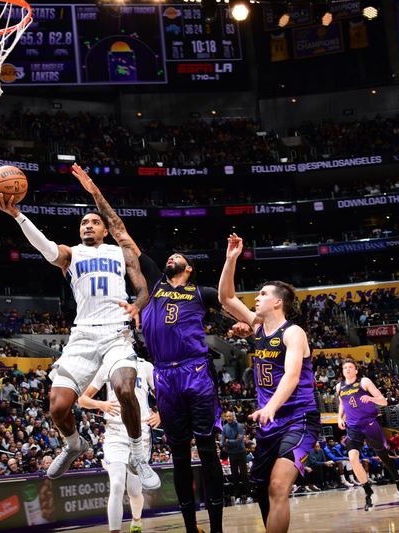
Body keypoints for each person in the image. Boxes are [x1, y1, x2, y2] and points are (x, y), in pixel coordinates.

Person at [71, 164, 228, 533]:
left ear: (188, 269)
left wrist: (242, 323)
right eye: (170, 255)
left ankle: (218, 528)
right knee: (176, 454)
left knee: (205, 451)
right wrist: (94, 190)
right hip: (165, 372)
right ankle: (192, 528)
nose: (172, 256)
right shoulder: (154, 283)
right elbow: (121, 232)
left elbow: (228, 303)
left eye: (179, 256)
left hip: (195, 369)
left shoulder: (199, 292)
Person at [0, 184, 158, 489]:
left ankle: (138, 454)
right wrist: (17, 215)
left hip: (116, 333)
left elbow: (143, 288)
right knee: (57, 406)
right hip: (82, 336)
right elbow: (45, 247)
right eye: (83, 223)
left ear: (104, 230)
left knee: (123, 387)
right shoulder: (71, 255)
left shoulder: (119, 252)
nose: (88, 226)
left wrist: (137, 305)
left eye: (94, 222)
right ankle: (73, 444)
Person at [218, 234, 319, 533]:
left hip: (298, 419)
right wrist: (231, 259)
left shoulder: (294, 333)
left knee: (278, 487)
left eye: (262, 294)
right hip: (269, 423)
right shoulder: (258, 327)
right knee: (261, 489)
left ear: (278, 302)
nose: (256, 298)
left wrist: (271, 406)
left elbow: (292, 375)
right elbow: (226, 298)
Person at [78, 357, 159, 533]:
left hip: (140, 431)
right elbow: (82, 400)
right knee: (116, 484)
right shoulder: (107, 366)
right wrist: (101, 404)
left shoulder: (145, 366)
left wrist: (161, 415)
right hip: (115, 431)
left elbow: (165, 395)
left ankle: (136, 521)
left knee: (134, 491)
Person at [336, 359, 399, 511]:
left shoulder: (364, 382)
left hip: (370, 424)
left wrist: (371, 398)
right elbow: (342, 403)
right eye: (344, 368)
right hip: (353, 427)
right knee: (353, 458)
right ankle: (368, 491)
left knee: (383, 457)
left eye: (350, 367)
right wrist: (339, 417)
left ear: (356, 370)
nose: (347, 370)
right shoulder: (339, 386)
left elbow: (384, 401)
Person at [222, 411, 251, 504]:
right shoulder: (224, 428)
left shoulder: (239, 426)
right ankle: (237, 496)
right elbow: (223, 443)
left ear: (233, 417)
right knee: (234, 475)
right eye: (227, 416)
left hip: (241, 452)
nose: (228, 418)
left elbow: (239, 441)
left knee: (244, 474)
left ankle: (248, 495)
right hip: (232, 453)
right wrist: (232, 441)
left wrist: (229, 441)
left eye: (230, 416)